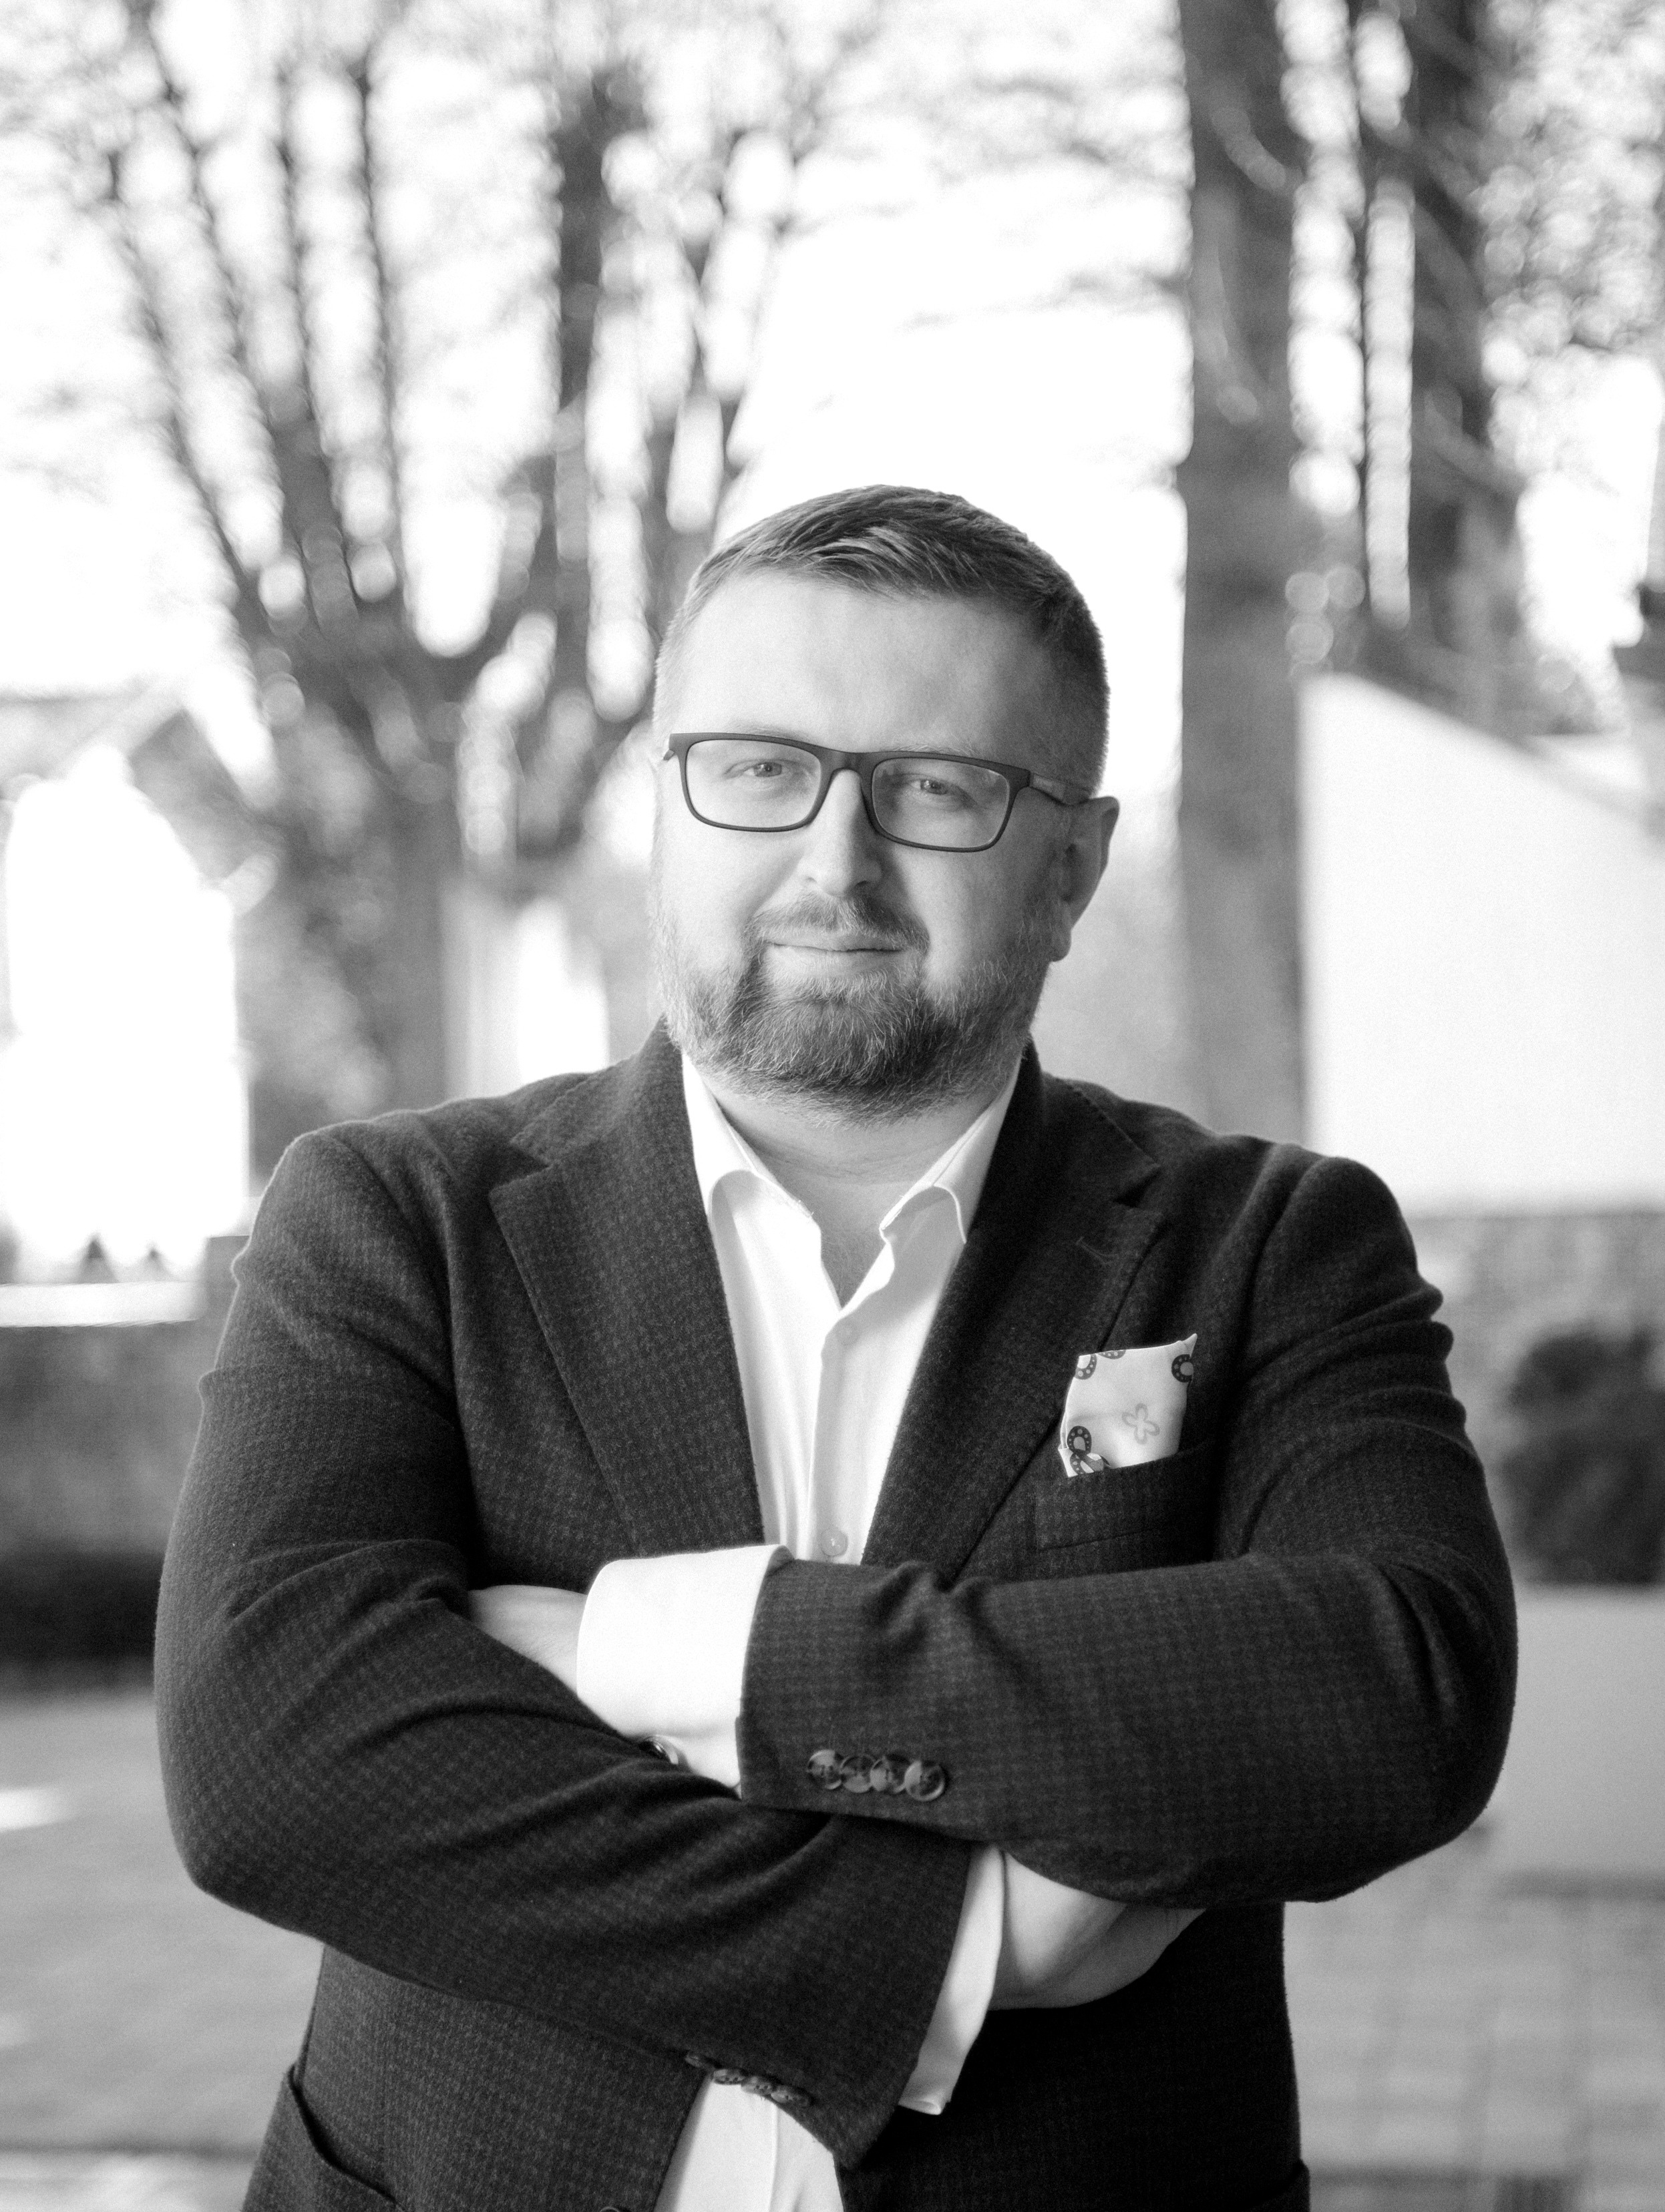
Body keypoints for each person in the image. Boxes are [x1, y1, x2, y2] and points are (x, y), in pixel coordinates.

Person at [155, 484, 1516, 2212]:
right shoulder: (395, 1218)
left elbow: (1393, 1698)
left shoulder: (1273, 1244)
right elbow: (272, 1761)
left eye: (936, 788)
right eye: (758, 768)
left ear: (1073, 867)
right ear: (669, 811)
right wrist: (949, 1945)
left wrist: (679, 1647)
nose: (834, 862)